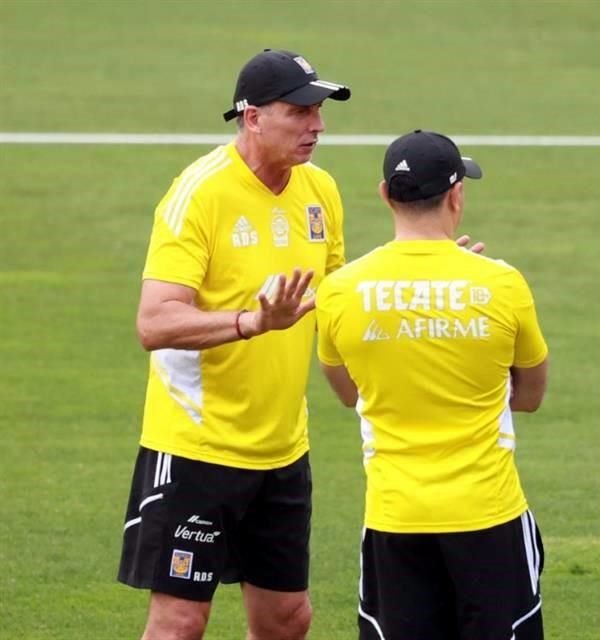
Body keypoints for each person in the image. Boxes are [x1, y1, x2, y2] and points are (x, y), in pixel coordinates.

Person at [117, 49, 352, 640]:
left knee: (286, 619)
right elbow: (155, 321)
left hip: (281, 448)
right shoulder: (200, 193)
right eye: (299, 111)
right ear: (252, 117)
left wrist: (417, 280)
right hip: (198, 446)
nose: (316, 125)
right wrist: (251, 322)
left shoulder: (319, 190)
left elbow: (338, 295)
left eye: (319, 110)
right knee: (180, 622)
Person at [314, 130, 550, 639]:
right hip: (489, 516)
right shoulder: (500, 284)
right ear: (456, 196)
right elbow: (529, 396)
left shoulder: (340, 291)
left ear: (384, 194)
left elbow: (351, 393)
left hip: (395, 519)